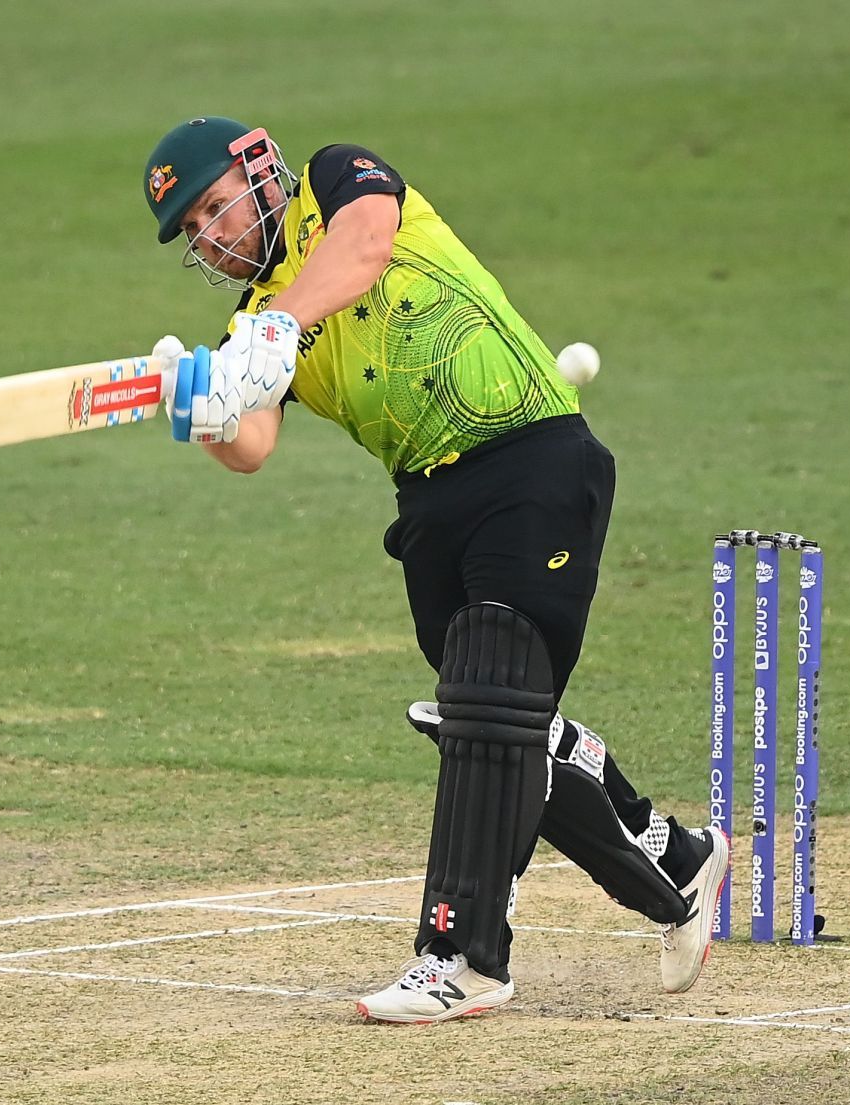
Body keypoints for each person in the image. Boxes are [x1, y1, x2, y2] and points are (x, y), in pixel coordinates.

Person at [140, 116, 728, 1024]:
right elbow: (252, 442)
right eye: (194, 230)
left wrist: (280, 323)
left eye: (215, 206)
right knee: (499, 725)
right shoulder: (256, 324)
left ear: (258, 171)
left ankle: (463, 954)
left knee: (490, 697)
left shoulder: (336, 183)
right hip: (429, 507)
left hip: (530, 453)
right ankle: (679, 866)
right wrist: (197, 406)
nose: (212, 235)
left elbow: (367, 246)